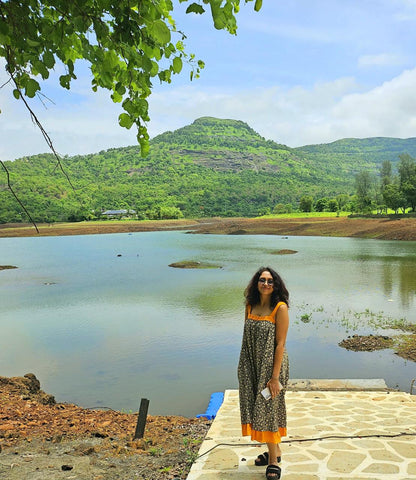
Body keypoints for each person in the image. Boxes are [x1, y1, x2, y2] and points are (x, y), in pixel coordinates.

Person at [238, 266, 290, 480]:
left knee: (268, 408)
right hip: (251, 364)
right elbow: (247, 337)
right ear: (256, 283)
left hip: (272, 367)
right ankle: (274, 451)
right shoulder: (250, 305)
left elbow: (280, 343)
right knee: (258, 408)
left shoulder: (280, 308)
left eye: (270, 281)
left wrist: (275, 377)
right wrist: (244, 367)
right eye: (262, 280)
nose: (266, 284)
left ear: (275, 285)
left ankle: (272, 461)